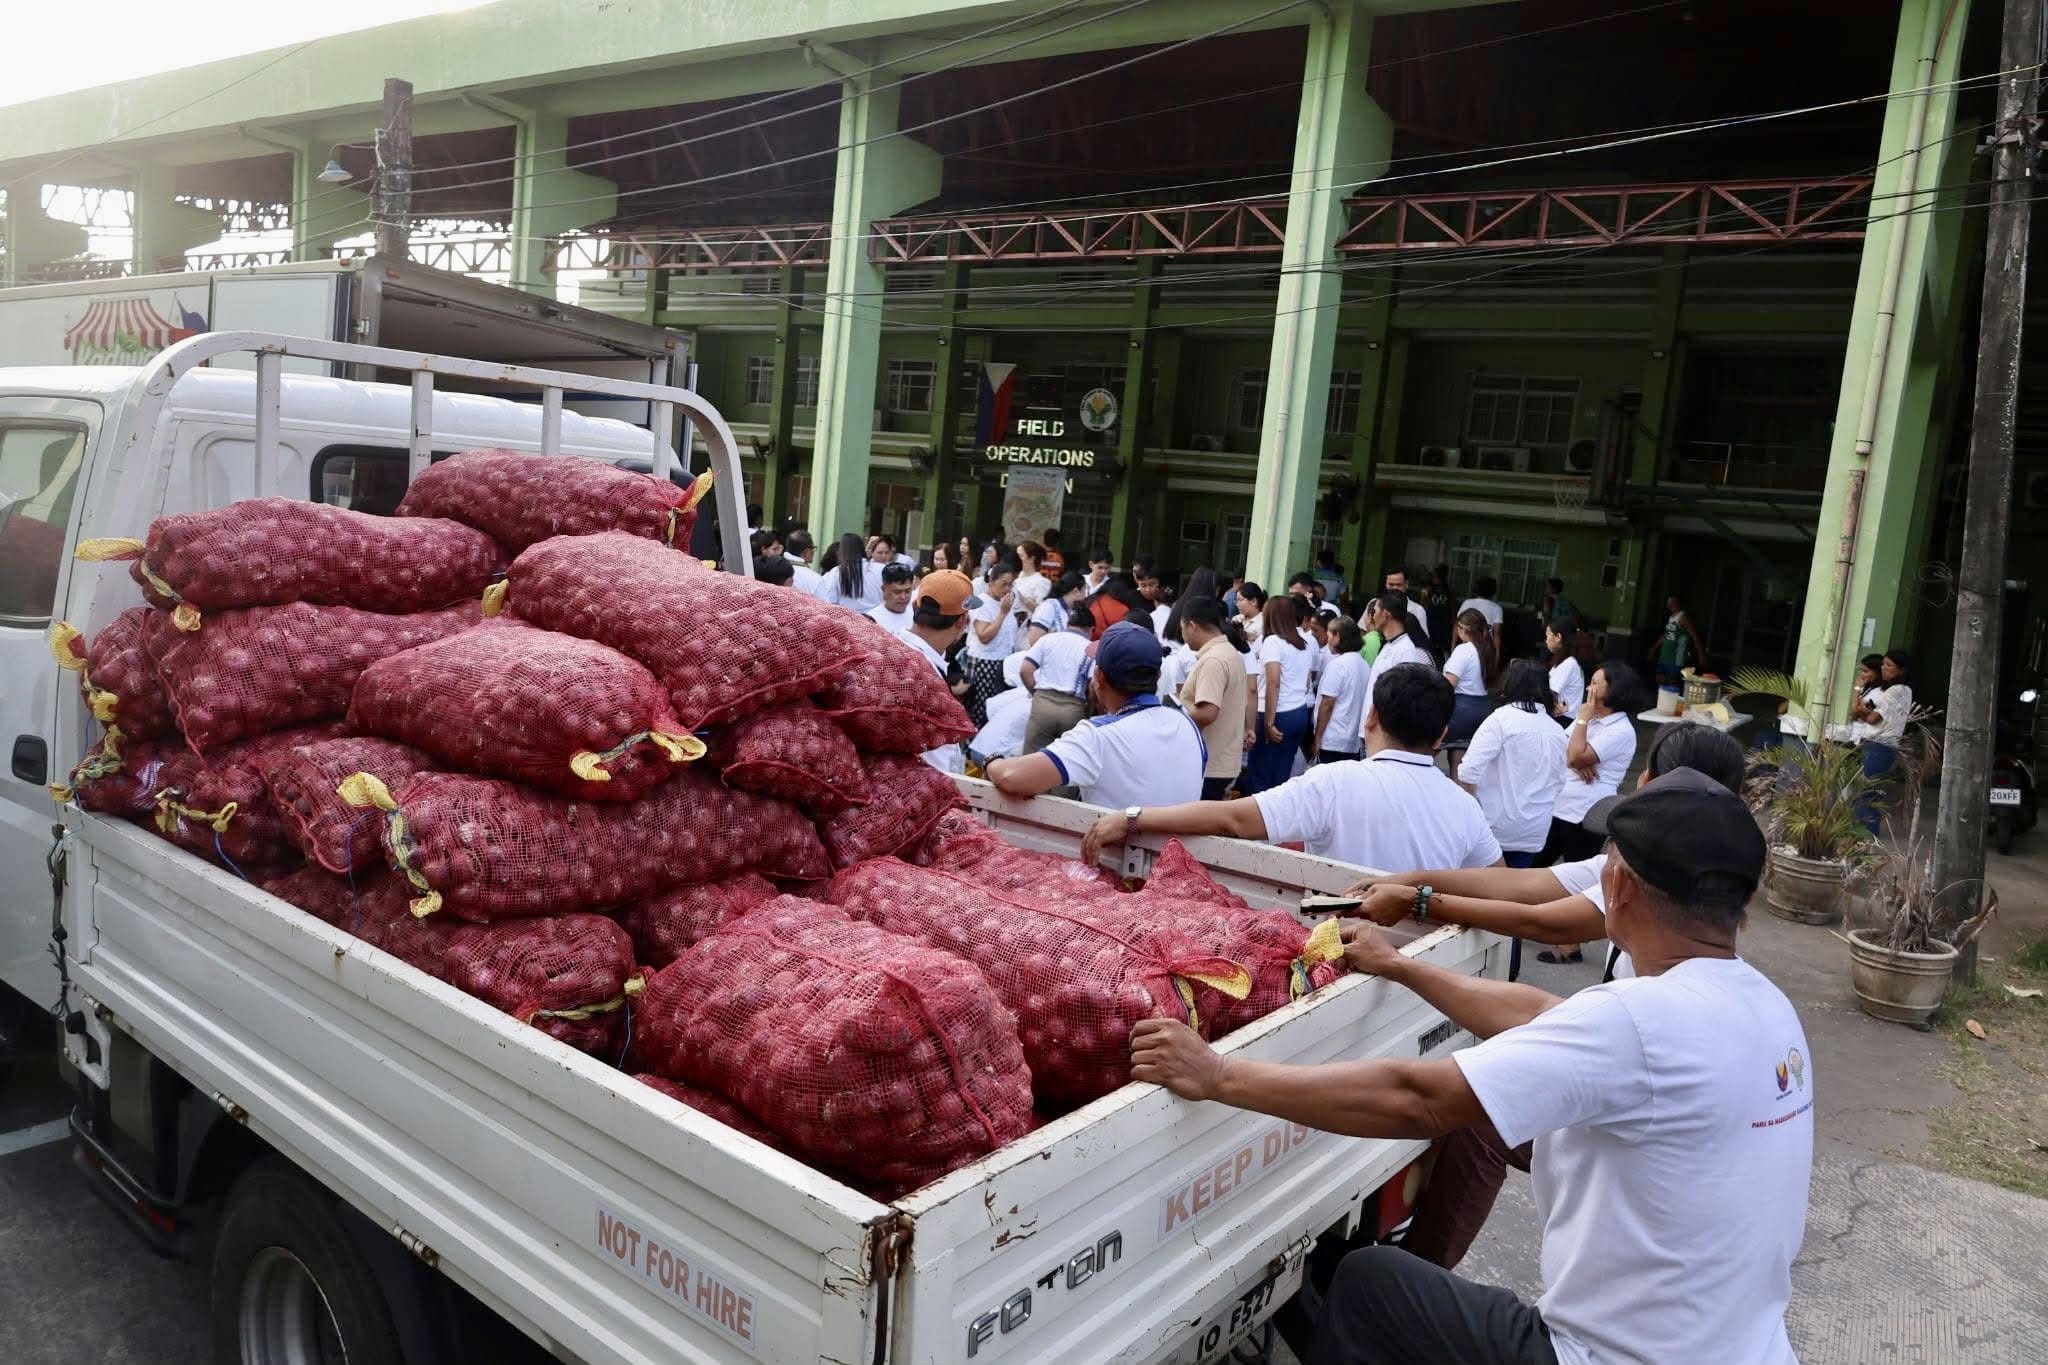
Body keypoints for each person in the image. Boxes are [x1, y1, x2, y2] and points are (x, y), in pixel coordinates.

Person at [1129, 763, 1808, 1365]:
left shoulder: (1639, 1021)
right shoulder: (1767, 1008)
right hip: (1747, 1347)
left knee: (1372, 1286)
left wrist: (1219, 1075)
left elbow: (1417, 1097)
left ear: (1619, 885)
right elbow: (1544, 1017)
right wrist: (1401, 966)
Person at [1082, 663, 1502, 873]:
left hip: (1334, 962)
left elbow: (1232, 818)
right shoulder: (1464, 807)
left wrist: (1134, 818)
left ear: (1371, 716)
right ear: (1442, 734)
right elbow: (1498, 882)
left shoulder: (1334, 782)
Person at [987, 621, 1206, 809]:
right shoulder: (1188, 724)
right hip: (1176, 856)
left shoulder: (1098, 736)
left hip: (1113, 856)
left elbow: (1010, 777)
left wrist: (992, 761)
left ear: (1098, 677)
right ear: (1157, 676)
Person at [1537, 660, 1641, 909]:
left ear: (1613, 691)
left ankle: (1569, 949)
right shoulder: (1593, 719)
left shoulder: (1620, 730)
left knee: (1576, 883)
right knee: (1538, 866)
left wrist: (1581, 725)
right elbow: (1560, 747)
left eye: (1595, 683)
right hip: (1560, 805)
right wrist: (1577, 758)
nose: (1589, 689)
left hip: (1586, 812)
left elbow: (1573, 754)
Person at [1453, 660, 1567, 868]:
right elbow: (1559, 783)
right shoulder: (1557, 731)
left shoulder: (1500, 720)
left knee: (1475, 893)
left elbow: (1468, 772)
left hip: (1493, 827)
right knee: (1511, 893)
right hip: (1533, 830)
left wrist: (1471, 813)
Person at [895, 570, 981, 775]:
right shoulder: (926, 675)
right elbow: (940, 763)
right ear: (962, 621)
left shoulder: (893, 647)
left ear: (916, 607)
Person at [1176, 596, 1253, 801]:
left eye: (1182, 628)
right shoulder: (1230, 653)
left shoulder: (1214, 660)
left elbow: (1208, 712)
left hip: (1210, 765)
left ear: (1191, 626)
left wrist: (1175, 718)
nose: (1182, 635)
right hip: (1224, 760)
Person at [1244, 595, 1316, 796]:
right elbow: (1307, 680)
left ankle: (1255, 826)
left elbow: (1273, 682)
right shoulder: (1304, 643)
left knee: (1260, 775)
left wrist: (1268, 722)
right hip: (1298, 712)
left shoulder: (1273, 642)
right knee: (1282, 776)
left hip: (1276, 713)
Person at [1851, 647, 1914, 831]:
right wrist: (1862, 706)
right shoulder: (1886, 690)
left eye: (1889, 665)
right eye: (1883, 664)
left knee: (1868, 793)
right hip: (1872, 743)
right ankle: (1861, 834)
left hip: (1881, 746)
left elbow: (1872, 718)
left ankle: (1867, 835)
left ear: (1901, 670)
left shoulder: (1899, 691)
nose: (1884, 668)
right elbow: (1856, 713)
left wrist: (1864, 711)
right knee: (1864, 791)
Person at [962, 559, 1022, 725]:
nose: (1007, 589)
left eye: (1010, 585)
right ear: (991, 581)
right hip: (984, 662)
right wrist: (1002, 614)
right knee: (980, 711)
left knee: (997, 712)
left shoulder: (1006, 603)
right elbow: (984, 636)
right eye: (1004, 584)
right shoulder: (980, 602)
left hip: (1003, 662)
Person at [1313, 618, 1370, 764]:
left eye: (1330, 635)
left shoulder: (1338, 665)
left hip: (1332, 739)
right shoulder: (1364, 665)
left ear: (1338, 636)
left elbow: (1327, 703)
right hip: (1352, 741)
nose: (1327, 640)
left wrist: (1317, 738)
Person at [1441, 608, 1498, 746]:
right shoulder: (1486, 650)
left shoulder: (1463, 650)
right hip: (1482, 710)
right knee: (1459, 756)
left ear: (1461, 628)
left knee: (1425, 746)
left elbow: (1448, 685)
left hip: (1460, 710)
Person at [812, 532, 884, 610]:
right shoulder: (881, 569)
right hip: (876, 619)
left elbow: (829, 601)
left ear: (841, 551)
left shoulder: (835, 573)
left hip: (848, 619)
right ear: (861, 548)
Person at [1650, 593, 1708, 686]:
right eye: (1668, 601)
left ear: (1676, 602)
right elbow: (1666, 635)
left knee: (1672, 683)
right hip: (1665, 656)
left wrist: (1701, 656)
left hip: (1675, 658)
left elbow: (1695, 636)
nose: (1668, 603)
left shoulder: (1683, 617)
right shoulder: (1671, 617)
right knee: (1660, 679)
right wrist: (1654, 648)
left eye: (1670, 601)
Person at [1369, 589, 1432, 674]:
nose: (1372, 617)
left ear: (1385, 614)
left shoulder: (1405, 651)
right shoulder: (1388, 645)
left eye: (1374, 611)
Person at [1025, 570, 1087, 647]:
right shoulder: (1049, 606)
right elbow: (1034, 640)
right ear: (1076, 591)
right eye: (1085, 590)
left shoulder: (1074, 611)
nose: (1086, 595)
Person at [1381, 566, 1433, 646]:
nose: (1395, 588)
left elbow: (1423, 642)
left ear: (1406, 584)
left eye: (1399, 585)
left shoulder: (1417, 610)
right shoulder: (1375, 605)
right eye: (1391, 584)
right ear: (1385, 584)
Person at [1543, 624, 1584, 716]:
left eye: (1548, 635)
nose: (1546, 640)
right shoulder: (1565, 661)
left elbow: (1549, 692)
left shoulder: (1568, 663)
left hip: (1563, 719)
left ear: (1558, 637)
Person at [864, 562, 917, 632]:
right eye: (897, 592)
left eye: (907, 591)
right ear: (884, 589)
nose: (903, 597)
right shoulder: (871, 620)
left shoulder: (916, 615)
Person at [1012, 540, 1052, 613]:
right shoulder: (1018, 576)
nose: (1017, 558)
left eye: (1021, 555)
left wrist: (1019, 595)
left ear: (1032, 559)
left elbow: (1041, 611)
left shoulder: (1041, 581)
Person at [783, 529, 822, 594]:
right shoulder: (815, 579)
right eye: (812, 548)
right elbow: (824, 604)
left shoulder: (774, 569)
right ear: (805, 552)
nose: (813, 551)